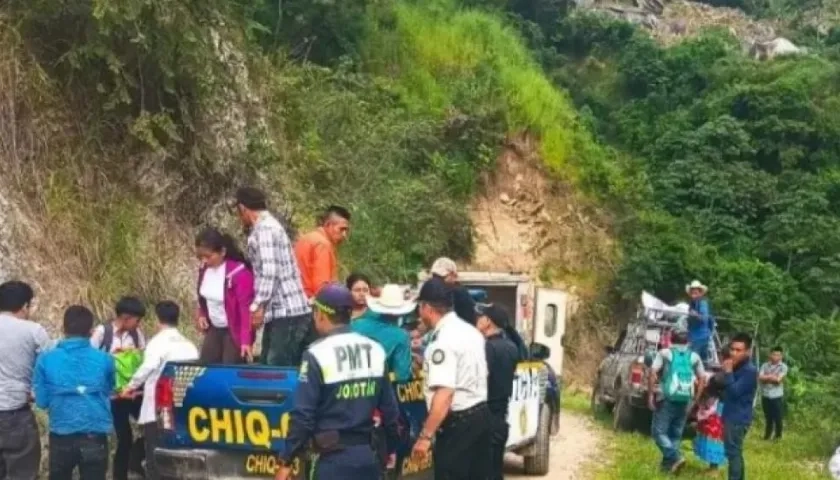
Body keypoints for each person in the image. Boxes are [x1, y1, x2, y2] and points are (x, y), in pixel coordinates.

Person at [274, 283, 400, 480]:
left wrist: (286, 460)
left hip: (331, 460)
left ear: (321, 314)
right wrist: (392, 447)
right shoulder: (375, 350)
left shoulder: (316, 354)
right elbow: (390, 411)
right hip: (369, 457)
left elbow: (303, 416)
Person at [411, 279, 491, 480]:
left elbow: (445, 394)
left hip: (458, 425)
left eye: (419, 308)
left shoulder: (442, 343)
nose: (419, 314)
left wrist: (425, 437)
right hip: (480, 417)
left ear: (427, 308)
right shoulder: (471, 332)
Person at [233, 186, 311, 366]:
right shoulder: (267, 227)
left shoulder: (265, 229)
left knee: (277, 369)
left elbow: (270, 271)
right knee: (268, 364)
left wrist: (258, 306)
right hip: (281, 312)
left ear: (243, 208)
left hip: (287, 311)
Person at [33, 305, 113, 480]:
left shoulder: (45, 359)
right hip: (94, 434)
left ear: (63, 329)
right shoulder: (105, 360)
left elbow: (41, 401)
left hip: (61, 434)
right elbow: (108, 390)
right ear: (91, 331)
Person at [121, 301, 199, 480]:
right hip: (183, 412)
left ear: (158, 320)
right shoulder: (190, 346)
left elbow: (148, 367)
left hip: (158, 411)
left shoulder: (157, 343)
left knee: (156, 458)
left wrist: (130, 387)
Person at [90, 296, 147, 480]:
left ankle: (136, 465)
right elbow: (91, 360)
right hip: (113, 397)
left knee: (152, 428)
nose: (138, 325)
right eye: (136, 320)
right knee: (124, 437)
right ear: (126, 318)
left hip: (134, 393)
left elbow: (143, 360)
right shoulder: (102, 333)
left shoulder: (137, 335)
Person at [0, 281, 51, 480]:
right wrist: (37, 392)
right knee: (22, 473)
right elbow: (50, 367)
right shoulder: (33, 331)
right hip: (16, 415)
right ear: (24, 306)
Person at [648, 328, 706, 474]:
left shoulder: (665, 353)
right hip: (685, 399)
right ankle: (667, 468)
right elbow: (702, 379)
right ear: (688, 342)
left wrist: (650, 396)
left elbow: (652, 372)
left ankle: (675, 457)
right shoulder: (694, 356)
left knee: (658, 432)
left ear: (670, 339)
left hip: (666, 398)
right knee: (675, 433)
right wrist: (695, 400)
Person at [195, 227, 256, 364]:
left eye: (208, 256)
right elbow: (202, 296)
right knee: (206, 365)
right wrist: (202, 314)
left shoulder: (239, 273)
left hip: (234, 329)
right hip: (215, 327)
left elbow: (245, 309)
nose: (204, 261)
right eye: (201, 257)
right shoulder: (204, 270)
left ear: (222, 252)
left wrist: (246, 340)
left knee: (229, 367)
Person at [475, 303, 520, 480]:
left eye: (481, 317)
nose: (477, 320)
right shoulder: (511, 347)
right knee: (495, 470)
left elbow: (481, 379)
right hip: (500, 415)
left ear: (488, 322)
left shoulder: (487, 348)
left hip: (485, 416)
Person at [295, 206, 351, 300]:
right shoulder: (323, 244)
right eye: (341, 229)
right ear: (328, 225)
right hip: (312, 304)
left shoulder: (307, 238)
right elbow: (322, 287)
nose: (344, 234)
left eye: (346, 230)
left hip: (298, 299)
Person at [723, 333, 758, 480]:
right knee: (734, 452)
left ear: (748, 352)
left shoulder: (749, 370)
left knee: (733, 453)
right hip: (732, 414)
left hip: (738, 417)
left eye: (739, 350)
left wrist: (728, 372)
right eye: (732, 349)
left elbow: (735, 392)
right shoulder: (739, 367)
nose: (734, 353)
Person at [693, 372, 727, 473]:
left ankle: (714, 470)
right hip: (717, 427)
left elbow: (707, 410)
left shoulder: (714, 398)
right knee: (715, 445)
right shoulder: (723, 398)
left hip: (713, 427)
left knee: (713, 445)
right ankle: (713, 467)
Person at [429, 258, 476, 325]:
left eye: (442, 277)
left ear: (453, 275)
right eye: (435, 277)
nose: (438, 280)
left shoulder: (459, 293)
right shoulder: (435, 293)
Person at [759, 346, 788, 440]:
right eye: (774, 354)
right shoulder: (764, 365)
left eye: (778, 355)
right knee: (768, 417)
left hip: (777, 396)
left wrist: (767, 377)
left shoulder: (783, 367)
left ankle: (778, 436)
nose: (776, 356)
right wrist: (772, 377)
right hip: (765, 395)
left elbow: (778, 380)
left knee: (778, 417)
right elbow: (760, 377)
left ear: (781, 356)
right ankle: (767, 436)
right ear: (770, 355)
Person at [686, 280, 715, 363]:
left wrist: (695, 315)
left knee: (694, 360)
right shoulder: (693, 304)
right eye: (692, 292)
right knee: (701, 360)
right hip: (695, 336)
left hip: (700, 336)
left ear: (700, 293)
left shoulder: (702, 303)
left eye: (695, 292)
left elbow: (704, 318)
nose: (693, 295)